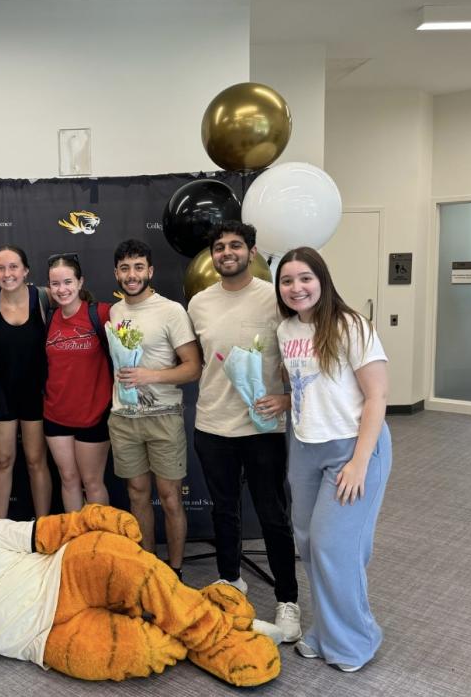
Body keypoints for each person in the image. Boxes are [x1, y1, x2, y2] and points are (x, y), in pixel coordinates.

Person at [275, 246, 391, 672]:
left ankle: (354, 641)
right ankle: (326, 632)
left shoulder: (351, 326)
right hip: (305, 446)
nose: (296, 287)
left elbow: (377, 396)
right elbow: (314, 387)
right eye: (287, 281)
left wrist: (360, 463)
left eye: (305, 278)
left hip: (353, 446)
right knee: (308, 544)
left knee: (333, 546)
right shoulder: (286, 330)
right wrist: (283, 400)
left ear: (321, 280)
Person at [187, 222, 301, 642]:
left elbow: (299, 361)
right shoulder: (198, 303)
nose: (227, 252)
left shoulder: (275, 299)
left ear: (251, 252)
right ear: (212, 256)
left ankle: (288, 600)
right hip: (212, 424)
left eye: (235, 245)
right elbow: (198, 361)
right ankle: (231, 579)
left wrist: (288, 400)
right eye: (219, 247)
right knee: (224, 510)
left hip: (262, 427)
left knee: (272, 515)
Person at [108, 240, 201, 581]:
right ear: (116, 273)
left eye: (138, 268)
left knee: (170, 497)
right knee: (137, 494)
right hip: (123, 419)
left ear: (150, 271)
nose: (131, 275)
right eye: (124, 268)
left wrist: (151, 375)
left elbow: (193, 368)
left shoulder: (171, 311)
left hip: (163, 417)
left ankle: (174, 572)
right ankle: (149, 568)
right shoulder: (115, 312)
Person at [0, 246, 53, 519]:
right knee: (2, 461)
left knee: (36, 462)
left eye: (13, 267)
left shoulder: (43, 297)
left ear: (25, 271)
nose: (7, 273)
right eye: (0, 268)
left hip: (36, 393)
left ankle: (42, 525)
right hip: (2, 395)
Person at [44, 253, 112, 512]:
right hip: (56, 414)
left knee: (92, 482)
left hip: (93, 415)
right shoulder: (49, 319)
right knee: (68, 479)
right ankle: (77, 541)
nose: (62, 289)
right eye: (55, 284)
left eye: (68, 282)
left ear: (80, 282)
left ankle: (98, 541)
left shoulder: (101, 314)